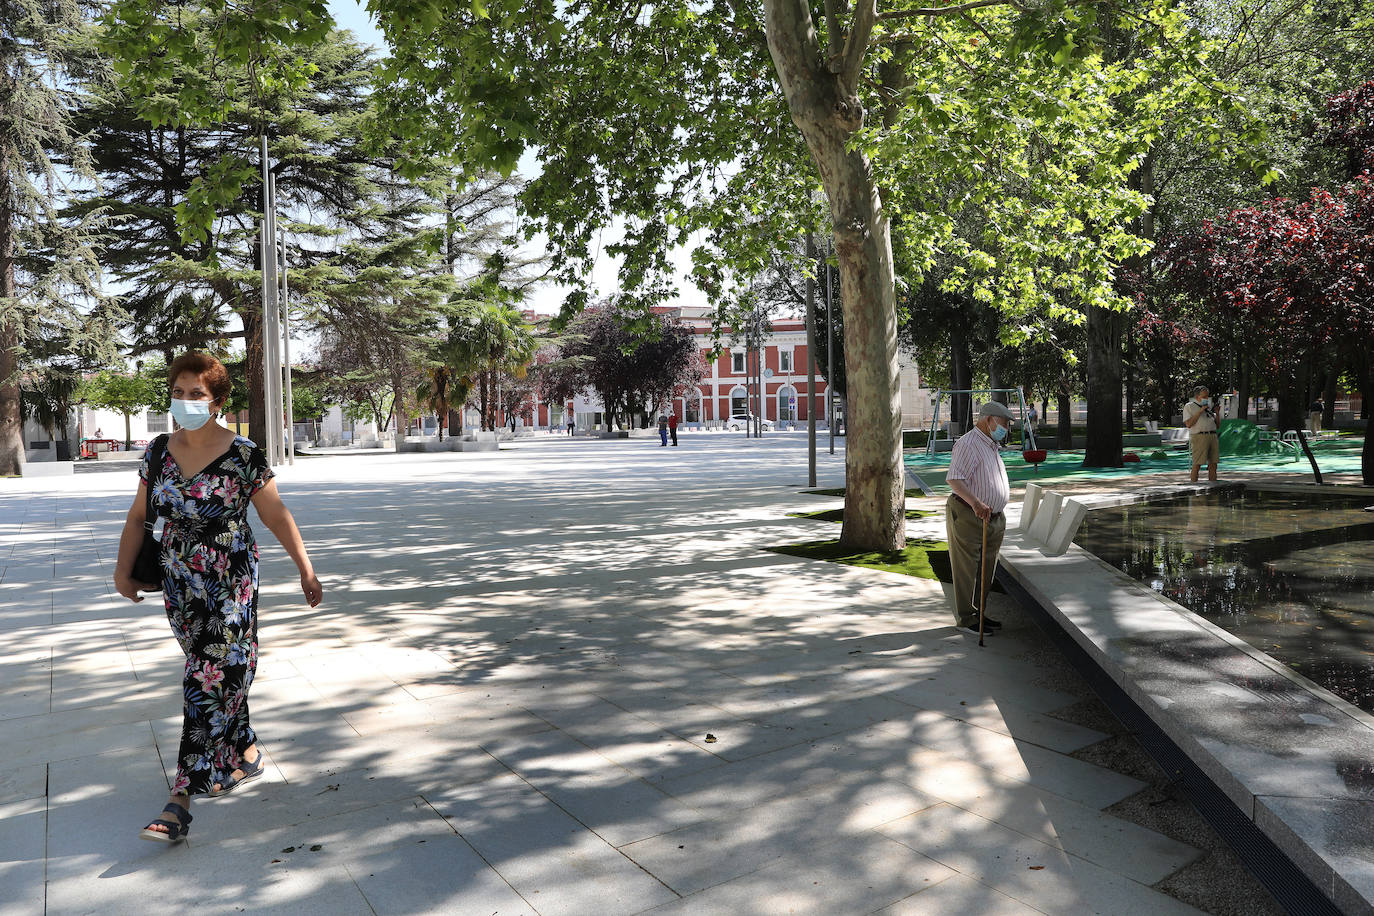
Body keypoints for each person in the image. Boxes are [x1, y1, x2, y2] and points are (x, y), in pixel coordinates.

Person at [114, 351, 322, 845]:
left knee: (206, 674)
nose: (185, 401)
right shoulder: (158, 451)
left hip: (231, 578)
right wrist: (123, 571)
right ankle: (243, 750)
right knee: (218, 670)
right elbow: (137, 516)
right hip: (178, 580)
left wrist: (305, 568)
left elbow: (274, 515)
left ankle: (180, 799)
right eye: (179, 392)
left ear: (218, 401)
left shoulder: (243, 453)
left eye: (197, 394)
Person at [945, 402, 1013, 637]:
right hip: (970, 513)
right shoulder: (969, 443)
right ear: (988, 421)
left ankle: (978, 614)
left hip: (992, 517)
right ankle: (966, 618)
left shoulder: (991, 444)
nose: (1006, 429)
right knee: (968, 569)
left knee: (987, 569)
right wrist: (975, 503)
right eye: (1004, 424)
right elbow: (955, 479)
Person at [1183, 386, 1220, 482]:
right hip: (1199, 436)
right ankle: (1193, 485)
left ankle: (1213, 485)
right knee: (1197, 463)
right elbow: (1188, 424)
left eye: (1207, 396)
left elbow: (1218, 426)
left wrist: (1217, 413)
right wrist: (1200, 411)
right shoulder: (1189, 406)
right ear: (1197, 397)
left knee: (1213, 464)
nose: (1206, 399)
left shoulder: (1209, 409)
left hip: (1212, 436)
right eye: (1204, 396)